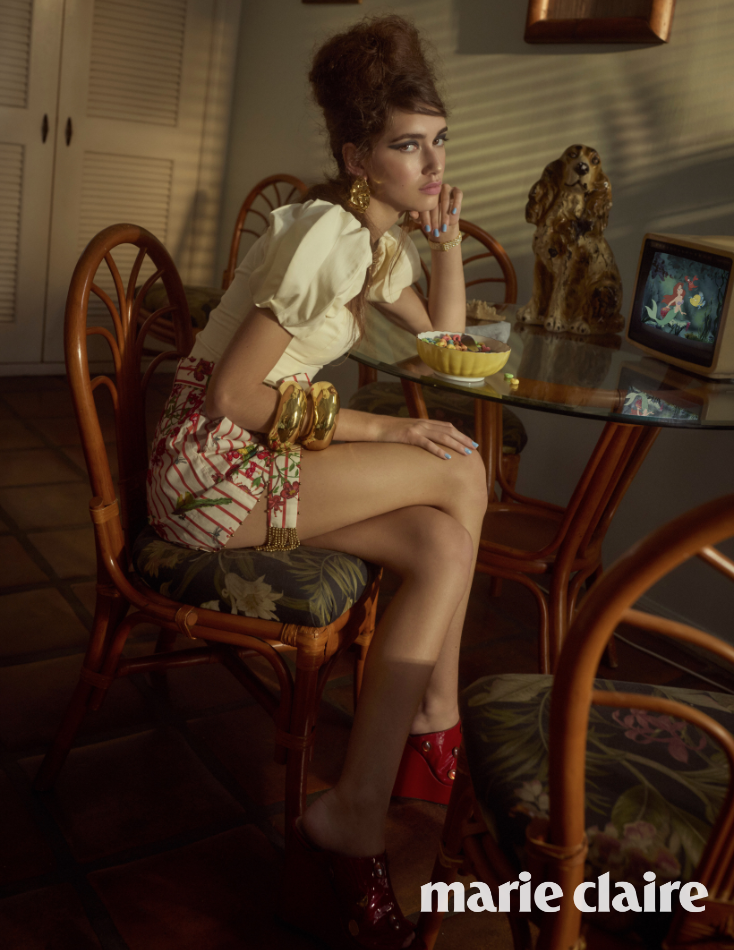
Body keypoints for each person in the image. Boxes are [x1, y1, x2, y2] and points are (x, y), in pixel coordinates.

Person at [147, 14, 487, 950]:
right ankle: (435, 731)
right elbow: (233, 392)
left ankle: (363, 800)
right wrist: (384, 424)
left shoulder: (377, 240)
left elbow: (447, 354)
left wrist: (447, 240)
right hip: (210, 464)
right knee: (455, 469)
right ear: (357, 154)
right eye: (406, 146)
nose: (429, 162)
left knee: (449, 529)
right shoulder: (326, 236)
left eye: (438, 141)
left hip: (261, 454)